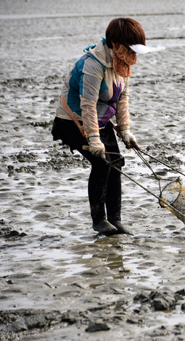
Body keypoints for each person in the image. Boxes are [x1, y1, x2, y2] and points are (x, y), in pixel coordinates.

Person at [51, 17, 152, 236]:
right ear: (116, 45)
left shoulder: (122, 63)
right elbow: (87, 104)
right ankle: (99, 220)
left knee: (115, 162)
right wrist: (94, 139)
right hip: (73, 120)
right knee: (102, 163)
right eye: (129, 49)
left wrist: (125, 130)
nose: (133, 56)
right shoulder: (93, 64)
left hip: (100, 118)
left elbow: (122, 99)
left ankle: (115, 219)